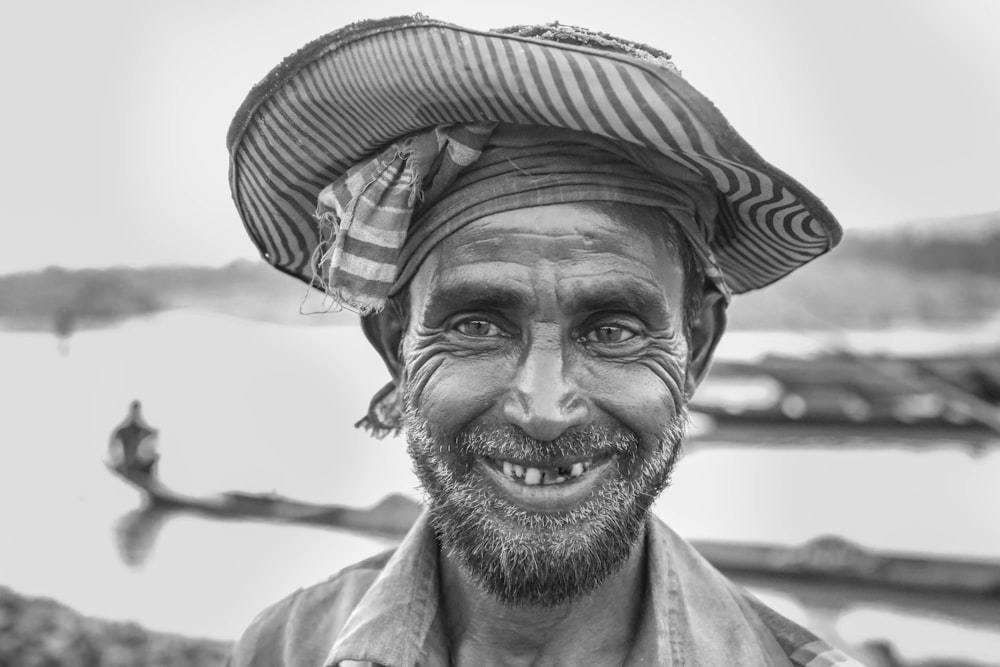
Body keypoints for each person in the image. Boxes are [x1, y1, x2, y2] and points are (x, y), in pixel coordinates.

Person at [225, 16, 863, 666]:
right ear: (396, 345)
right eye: (477, 325)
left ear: (695, 346)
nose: (546, 408)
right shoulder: (280, 649)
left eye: (613, 330)